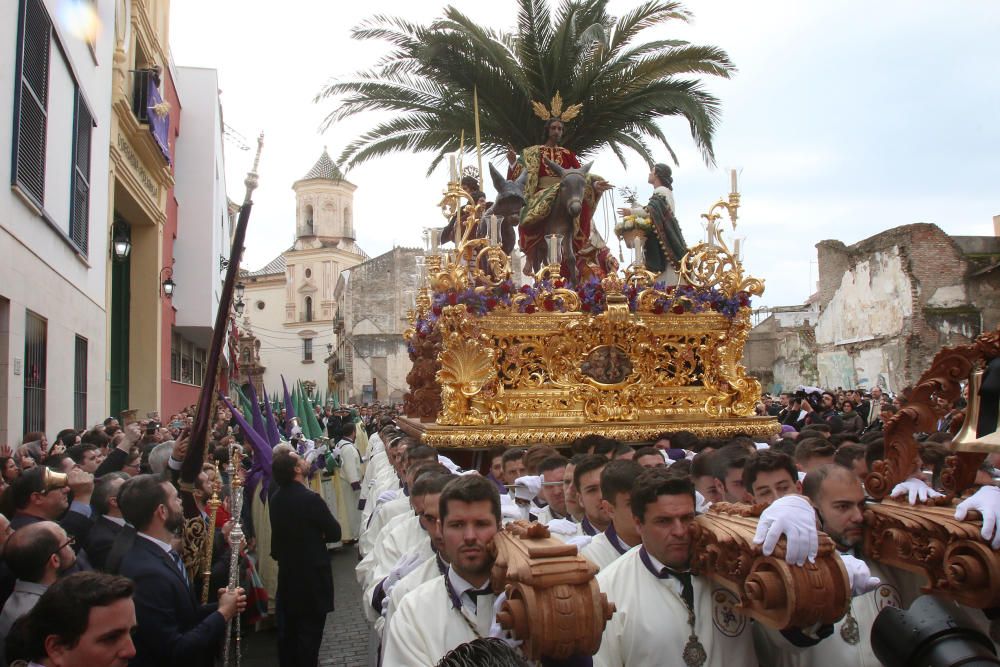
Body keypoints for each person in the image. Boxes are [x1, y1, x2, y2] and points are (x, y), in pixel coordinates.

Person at [117, 474, 245, 667]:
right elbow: (174, 648)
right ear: (162, 511)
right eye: (176, 498)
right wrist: (223, 613)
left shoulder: (161, 552)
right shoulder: (148, 573)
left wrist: (218, 605)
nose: (182, 504)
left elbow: (182, 614)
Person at [382, 475, 503, 665]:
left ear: (499, 525)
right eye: (457, 525)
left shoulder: (526, 598)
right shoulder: (413, 611)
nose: (470, 536)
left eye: (481, 524)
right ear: (440, 529)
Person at [506, 107, 611, 276]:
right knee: (530, 213)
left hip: (564, 191)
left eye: (560, 129)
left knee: (580, 203)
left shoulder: (567, 154)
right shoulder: (534, 152)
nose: (557, 131)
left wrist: (595, 184)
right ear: (547, 130)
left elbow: (580, 174)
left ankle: (578, 240)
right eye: (554, 128)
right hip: (541, 192)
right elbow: (520, 174)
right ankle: (532, 254)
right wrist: (512, 163)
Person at [269, 448, 341, 667]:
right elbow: (334, 532)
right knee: (310, 635)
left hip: (289, 576)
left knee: (291, 634)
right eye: (300, 459)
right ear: (297, 469)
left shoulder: (276, 498)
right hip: (312, 577)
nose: (304, 459)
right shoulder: (310, 499)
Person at [0, 522, 76, 645]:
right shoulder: (44, 614)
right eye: (66, 543)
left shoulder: (18, 601)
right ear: (54, 560)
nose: (71, 544)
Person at [617, 163, 686, 277]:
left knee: (667, 273)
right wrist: (637, 207)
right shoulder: (664, 191)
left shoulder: (661, 190)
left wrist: (631, 212)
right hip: (666, 234)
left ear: (657, 174)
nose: (649, 173)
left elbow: (652, 210)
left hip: (665, 237)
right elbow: (653, 210)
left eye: (652, 171)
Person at [581, 460, 643, 569]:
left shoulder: (666, 545)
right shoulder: (588, 556)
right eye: (631, 503)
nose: (642, 510)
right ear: (609, 509)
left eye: (645, 501)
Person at [86, 473, 128, 572]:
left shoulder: (132, 523)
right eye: (128, 490)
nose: (135, 492)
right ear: (114, 502)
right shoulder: (104, 541)